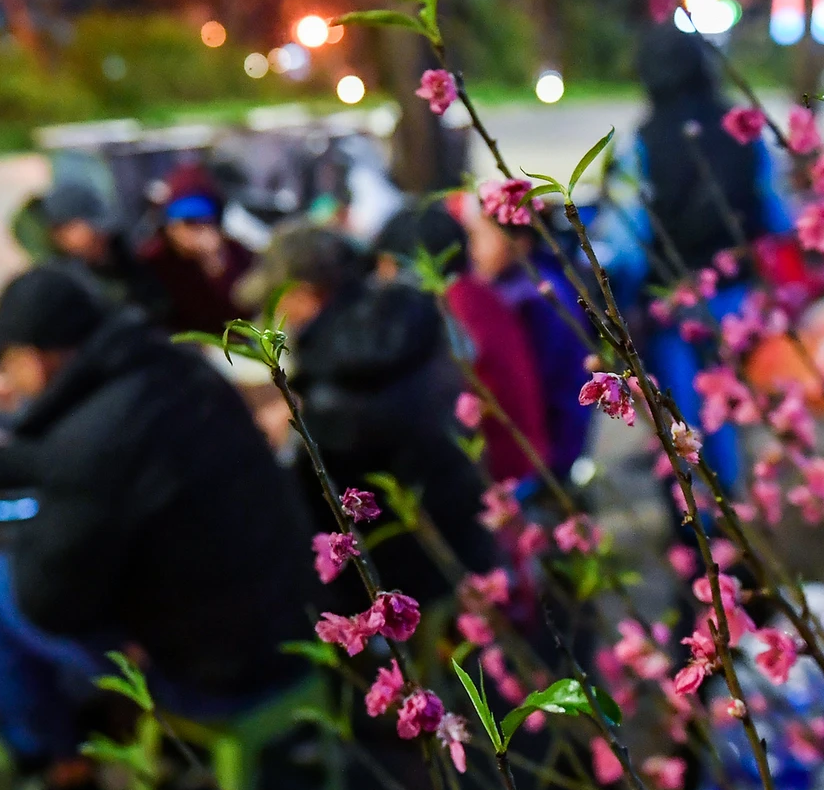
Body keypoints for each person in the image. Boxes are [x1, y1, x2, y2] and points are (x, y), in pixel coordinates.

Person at [0, 267, 315, 767]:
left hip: (224, 672)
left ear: (35, 359)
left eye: (6, 361)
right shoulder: (179, 369)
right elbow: (91, 453)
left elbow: (48, 604)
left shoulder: (93, 442)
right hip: (296, 621)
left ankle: (51, 764)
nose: (2, 377)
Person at [251, 224, 497, 606]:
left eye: (275, 301)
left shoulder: (336, 368)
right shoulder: (403, 316)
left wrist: (298, 422)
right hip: (463, 538)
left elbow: (321, 480)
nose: (274, 316)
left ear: (304, 293)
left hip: (404, 571)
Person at [632, 24, 794, 491]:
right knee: (725, 400)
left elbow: (630, 239)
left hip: (672, 301)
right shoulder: (745, 131)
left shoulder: (644, 141)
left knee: (684, 410)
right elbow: (778, 214)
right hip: (734, 296)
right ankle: (733, 504)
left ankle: (699, 516)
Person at [373, 204, 550, 487]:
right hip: (527, 456)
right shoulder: (475, 292)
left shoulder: (440, 310)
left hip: (500, 475)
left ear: (395, 264)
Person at [462, 206, 595, 483]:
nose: (472, 250)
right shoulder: (520, 285)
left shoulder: (534, 297)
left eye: (481, 238)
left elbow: (540, 378)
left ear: (520, 243)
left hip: (553, 438)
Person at [15, 180, 171, 321]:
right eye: (93, 229)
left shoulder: (120, 257)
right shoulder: (57, 289)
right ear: (61, 233)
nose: (103, 235)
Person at [137, 166, 255, 335]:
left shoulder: (236, 253)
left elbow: (245, 309)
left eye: (204, 222)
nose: (196, 231)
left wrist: (215, 264)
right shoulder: (153, 259)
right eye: (188, 223)